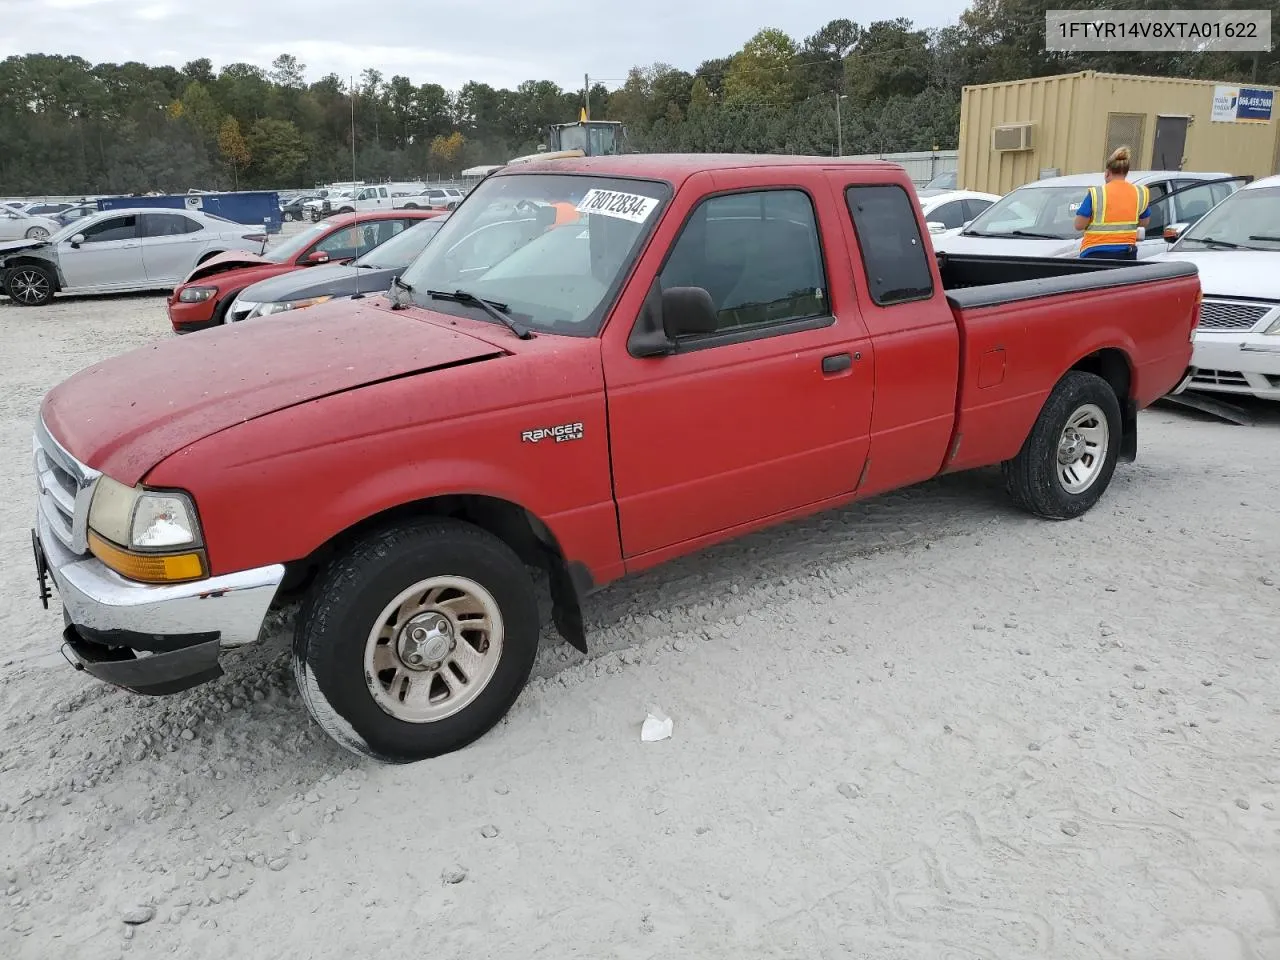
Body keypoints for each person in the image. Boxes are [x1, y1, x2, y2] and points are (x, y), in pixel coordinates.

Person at [1073, 146, 1150, 260]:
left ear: (1107, 173)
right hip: (1126, 254)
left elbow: (1079, 225)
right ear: (1126, 172)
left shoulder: (1097, 193)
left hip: (1094, 253)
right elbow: (1144, 223)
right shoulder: (1140, 192)